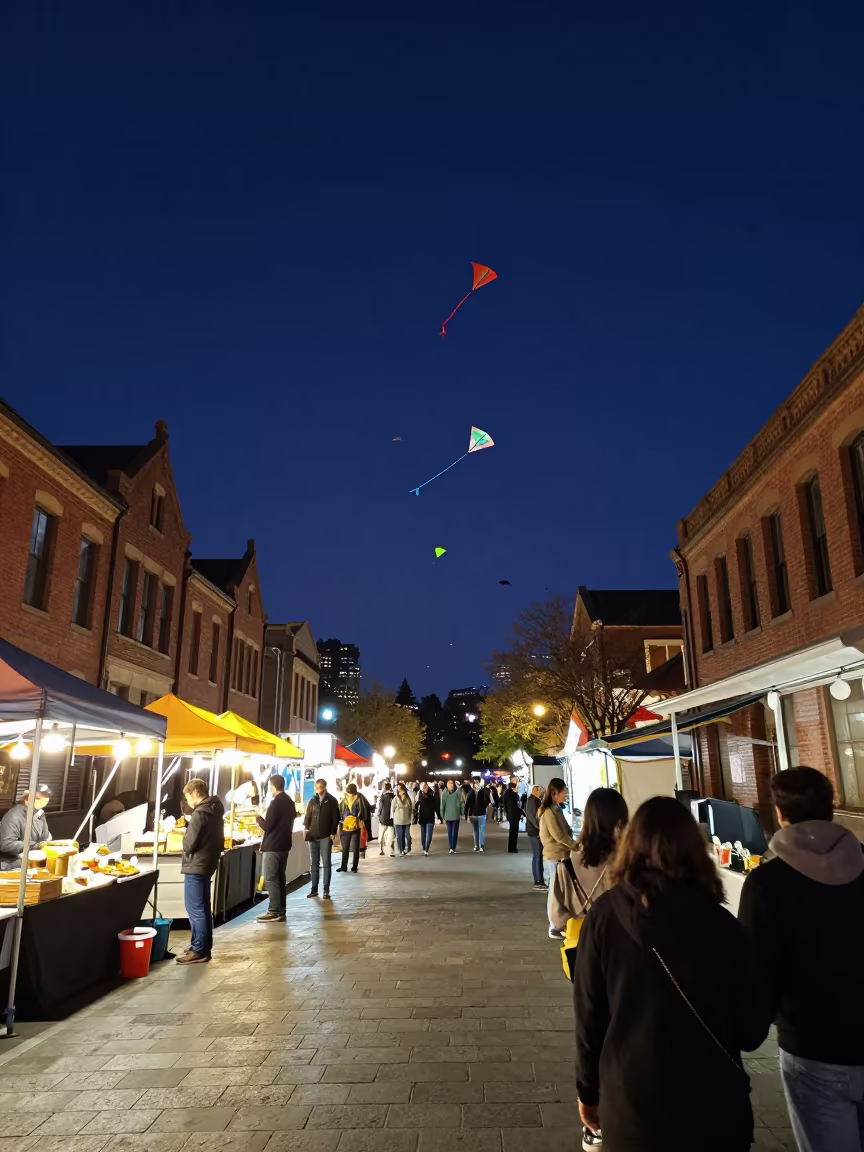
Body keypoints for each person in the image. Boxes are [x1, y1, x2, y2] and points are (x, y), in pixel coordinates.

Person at [574, 796, 768, 1152]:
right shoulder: (722, 925)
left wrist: (588, 1090)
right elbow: (751, 1030)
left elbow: (590, 1015)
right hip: (713, 1108)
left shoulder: (604, 917)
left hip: (631, 1102)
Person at [738, 766, 864, 1152]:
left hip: (812, 1047)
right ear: (831, 808)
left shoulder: (767, 883)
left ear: (779, 814)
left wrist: (748, 1027)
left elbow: (754, 969)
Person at [554, 787, 629, 929]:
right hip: (621, 940)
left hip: (583, 943)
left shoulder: (567, 865)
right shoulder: (627, 862)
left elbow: (556, 918)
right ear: (620, 821)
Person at [176, 778, 224, 964]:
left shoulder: (199, 813)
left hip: (196, 864)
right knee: (203, 908)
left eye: (187, 795)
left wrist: (184, 835)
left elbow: (189, 844)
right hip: (208, 863)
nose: (187, 800)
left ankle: (199, 950)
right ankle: (201, 945)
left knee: (195, 909)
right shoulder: (215, 809)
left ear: (195, 792)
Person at [539, 778, 580, 939]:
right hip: (555, 854)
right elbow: (558, 834)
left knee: (558, 889)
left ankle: (559, 922)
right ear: (555, 793)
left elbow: (566, 830)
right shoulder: (549, 811)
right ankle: (554, 925)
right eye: (564, 791)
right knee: (554, 891)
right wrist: (574, 845)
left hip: (561, 853)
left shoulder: (556, 808)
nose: (566, 794)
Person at [255, 775, 297, 923]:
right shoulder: (290, 802)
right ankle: (281, 910)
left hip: (273, 845)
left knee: (271, 878)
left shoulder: (276, 803)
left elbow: (268, 827)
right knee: (280, 878)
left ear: (272, 786)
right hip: (284, 844)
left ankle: (274, 910)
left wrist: (258, 818)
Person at [0, 784, 52, 870]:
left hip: (33, 862)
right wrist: (33, 845)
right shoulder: (13, 815)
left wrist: (47, 844)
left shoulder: (40, 814)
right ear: (28, 798)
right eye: (39, 798)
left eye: (47, 797)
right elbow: (6, 844)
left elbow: (45, 837)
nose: (45, 800)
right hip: (11, 864)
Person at [304, 777, 340, 899]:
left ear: (324, 787)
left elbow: (335, 818)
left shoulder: (331, 801)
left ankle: (326, 889)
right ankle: (314, 889)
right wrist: (307, 829)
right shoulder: (312, 801)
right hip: (313, 836)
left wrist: (333, 832)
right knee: (314, 863)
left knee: (326, 863)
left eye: (320, 787)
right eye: (316, 787)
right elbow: (308, 816)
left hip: (325, 835)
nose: (317, 789)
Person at [337, 783, 364, 874]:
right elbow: (340, 812)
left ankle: (354, 867)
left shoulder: (359, 799)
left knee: (356, 848)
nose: (351, 795)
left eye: (352, 793)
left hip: (355, 826)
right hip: (346, 827)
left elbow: (362, 811)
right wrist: (341, 821)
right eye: (350, 793)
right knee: (345, 847)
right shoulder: (343, 801)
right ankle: (344, 866)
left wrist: (358, 819)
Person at [525, 784, 546, 889]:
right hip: (535, 831)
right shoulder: (533, 801)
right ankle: (538, 880)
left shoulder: (532, 800)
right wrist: (539, 828)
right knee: (538, 856)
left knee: (537, 856)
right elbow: (532, 817)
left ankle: (539, 879)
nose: (542, 792)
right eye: (540, 790)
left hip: (533, 830)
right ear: (535, 791)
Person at [415, 782, 442, 856]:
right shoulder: (419, 796)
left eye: (426, 787)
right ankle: (424, 848)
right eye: (424, 787)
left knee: (429, 836)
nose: (425, 788)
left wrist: (440, 817)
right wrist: (415, 814)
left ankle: (426, 849)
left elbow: (436, 807)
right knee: (423, 835)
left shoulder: (432, 796)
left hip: (430, 817)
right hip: (422, 818)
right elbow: (416, 806)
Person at [439, 779, 464, 853]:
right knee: (450, 832)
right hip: (448, 817)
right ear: (447, 786)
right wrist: (442, 816)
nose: (451, 786)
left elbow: (460, 803)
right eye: (450, 785)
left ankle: (453, 847)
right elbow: (442, 806)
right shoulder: (444, 793)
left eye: (452, 785)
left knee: (455, 832)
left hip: (456, 816)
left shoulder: (457, 793)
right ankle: (451, 847)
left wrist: (461, 813)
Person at [465, 780, 491, 852]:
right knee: (481, 830)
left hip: (474, 814)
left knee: (476, 830)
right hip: (481, 813)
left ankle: (477, 845)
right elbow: (489, 801)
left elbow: (467, 804)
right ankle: (480, 846)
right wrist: (484, 806)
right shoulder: (484, 791)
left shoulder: (471, 792)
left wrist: (466, 815)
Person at [392, 782, 414, 856]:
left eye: (400, 788)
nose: (399, 790)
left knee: (407, 835)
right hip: (398, 821)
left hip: (406, 820)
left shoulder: (408, 799)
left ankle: (407, 848)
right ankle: (401, 850)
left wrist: (411, 817)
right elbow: (392, 810)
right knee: (400, 836)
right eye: (398, 788)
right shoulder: (395, 799)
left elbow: (411, 808)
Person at [503, 777, 524, 853]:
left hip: (512, 814)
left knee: (513, 831)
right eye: (516, 781)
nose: (517, 782)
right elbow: (516, 803)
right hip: (513, 814)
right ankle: (512, 848)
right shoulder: (511, 792)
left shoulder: (508, 792)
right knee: (514, 831)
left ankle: (512, 847)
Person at [376, 782, 395, 857]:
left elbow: (380, 808)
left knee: (382, 834)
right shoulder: (393, 796)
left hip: (383, 818)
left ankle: (381, 850)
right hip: (391, 818)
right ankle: (392, 851)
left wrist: (378, 814)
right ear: (390, 788)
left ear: (384, 787)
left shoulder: (382, 797)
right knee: (391, 835)